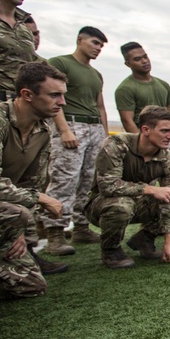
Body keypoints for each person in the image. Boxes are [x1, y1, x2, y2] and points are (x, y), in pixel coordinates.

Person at [0, 63, 68, 328]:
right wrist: (39, 201)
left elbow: (32, 182)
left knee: (30, 285)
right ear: (27, 94)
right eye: (54, 95)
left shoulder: (42, 130)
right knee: (14, 212)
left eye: (62, 95)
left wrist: (18, 231)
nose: (62, 103)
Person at [85, 106, 170, 268]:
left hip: (138, 203)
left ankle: (145, 238)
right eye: (164, 131)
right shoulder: (117, 145)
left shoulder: (167, 157)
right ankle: (110, 250)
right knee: (121, 205)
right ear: (146, 130)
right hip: (102, 204)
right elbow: (108, 186)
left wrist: (169, 241)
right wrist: (150, 189)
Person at [42, 26, 109, 248]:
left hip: (94, 128)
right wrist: (63, 130)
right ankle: (55, 232)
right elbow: (52, 97)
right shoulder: (60, 63)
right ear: (80, 40)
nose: (98, 48)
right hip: (72, 124)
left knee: (89, 180)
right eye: (94, 43)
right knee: (65, 179)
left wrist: (105, 135)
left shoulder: (95, 74)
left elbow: (100, 105)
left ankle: (81, 227)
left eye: (100, 45)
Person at [114, 42, 170, 154]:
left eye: (145, 56)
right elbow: (127, 120)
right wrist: (140, 145)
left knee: (169, 170)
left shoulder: (163, 85)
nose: (144, 61)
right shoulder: (125, 88)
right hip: (144, 145)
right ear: (128, 64)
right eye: (137, 59)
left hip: (165, 142)